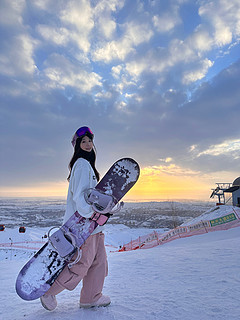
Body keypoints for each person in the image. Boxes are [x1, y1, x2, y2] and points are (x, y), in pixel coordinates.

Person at [40, 126, 110, 311]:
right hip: (84, 225)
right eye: (83, 141)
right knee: (81, 264)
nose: (88, 144)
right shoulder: (81, 165)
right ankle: (49, 292)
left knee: (99, 263)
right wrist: (93, 214)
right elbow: (81, 197)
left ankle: (91, 297)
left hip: (94, 226)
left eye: (90, 141)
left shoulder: (87, 166)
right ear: (77, 146)